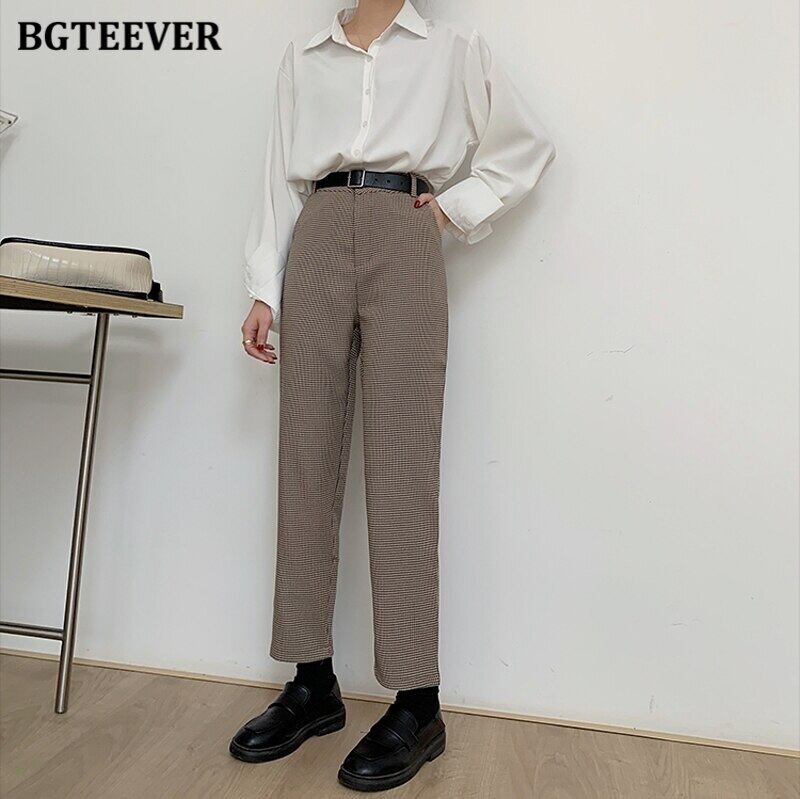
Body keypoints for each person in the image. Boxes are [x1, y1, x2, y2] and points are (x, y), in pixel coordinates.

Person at [231, 0, 555, 791]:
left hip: (407, 230)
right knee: (305, 457)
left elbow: (526, 144)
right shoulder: (305, 56)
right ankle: (312, 680)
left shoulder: (454, 49)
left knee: (403, 466)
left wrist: (454, 207)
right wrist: (264, 287)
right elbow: (278, 177)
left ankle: (418, 699)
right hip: (316, 233)